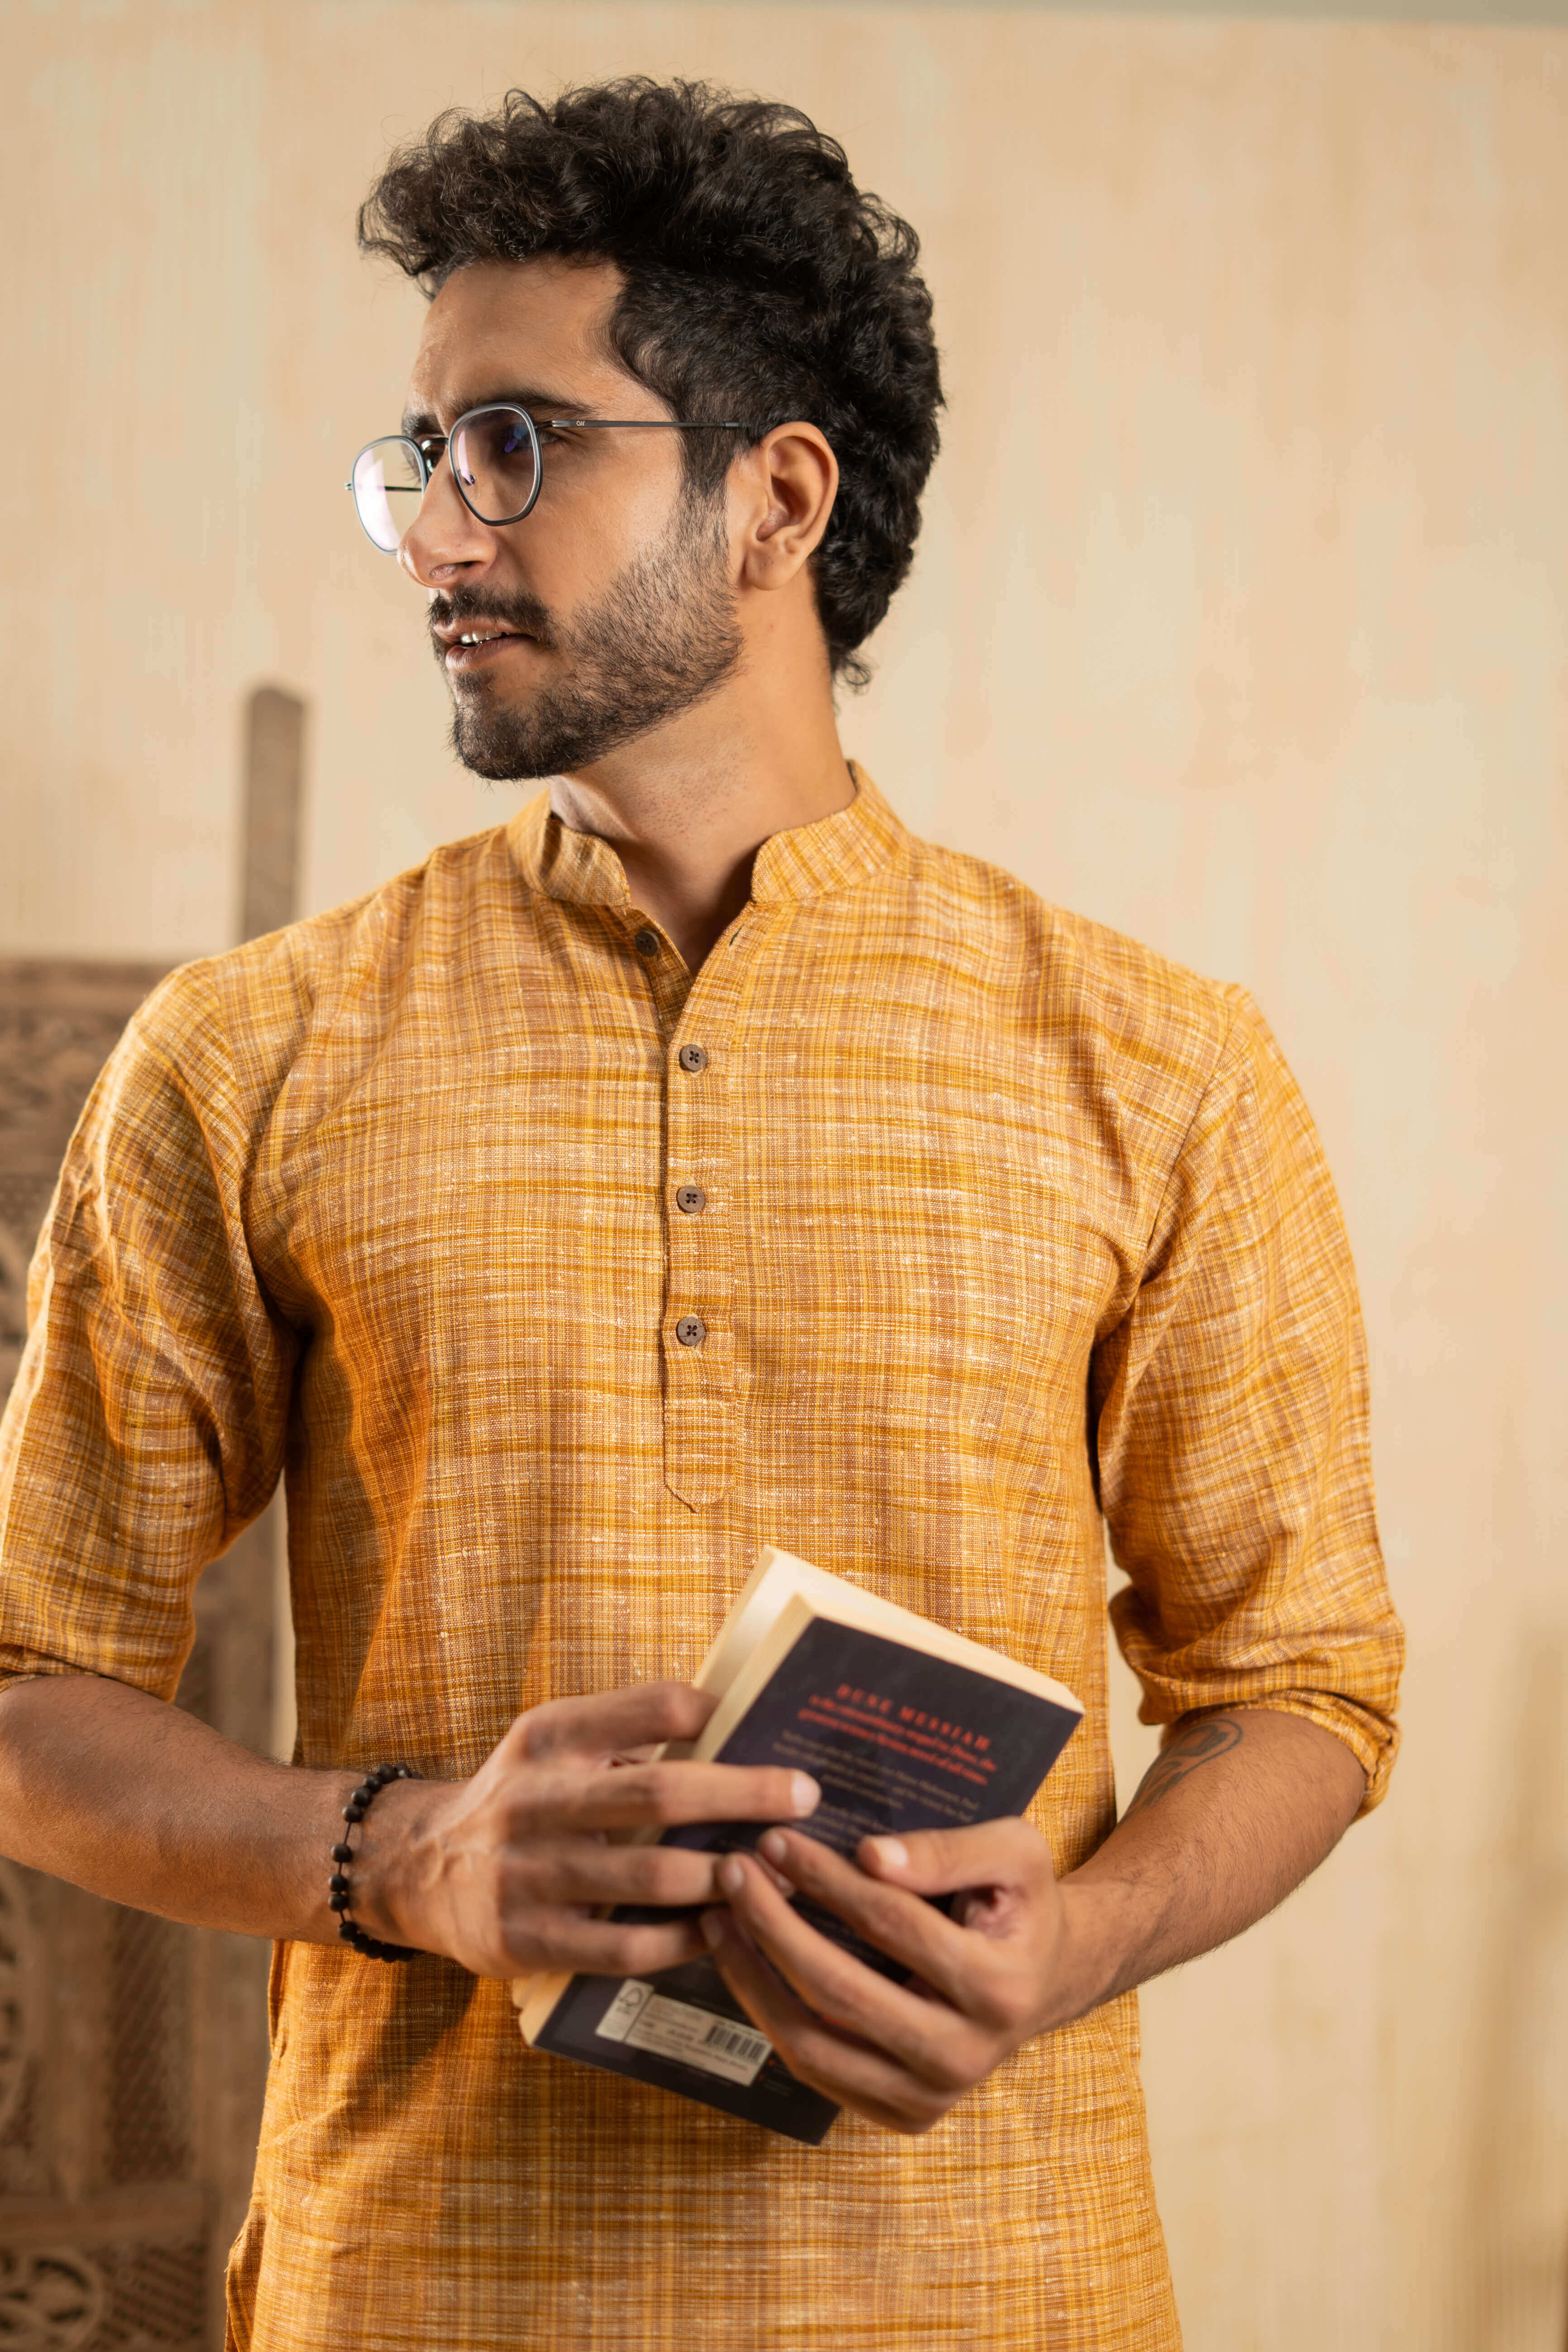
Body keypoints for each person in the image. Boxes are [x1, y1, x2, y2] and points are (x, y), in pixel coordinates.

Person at [0, 78, 1402, 2352]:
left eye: (516, 446)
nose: (439, 530)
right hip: (416, 2289)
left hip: (998, 2292)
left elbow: (1300, 1687)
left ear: (773, 500)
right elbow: (23, 1685)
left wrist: (1079, 1935)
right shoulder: (252, 1053)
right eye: (419, 460)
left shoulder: (1155, 1065)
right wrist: (405, 1858)